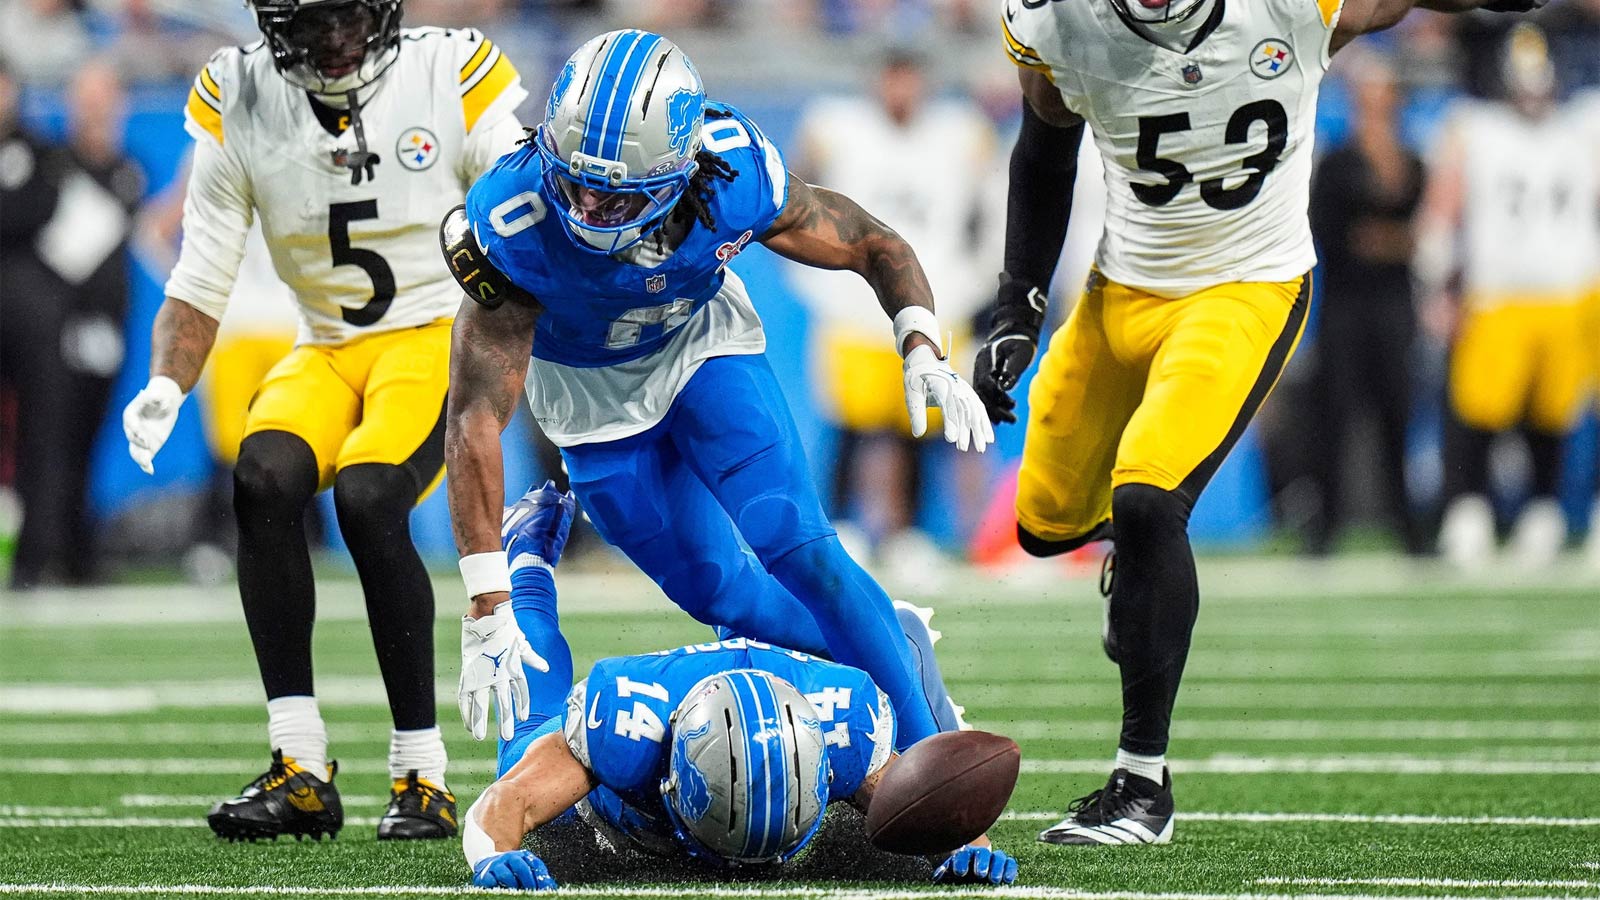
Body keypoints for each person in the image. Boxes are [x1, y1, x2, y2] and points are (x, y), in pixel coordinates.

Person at [976, 0, 1549, 846]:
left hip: (1246, 287)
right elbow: (1045, 137)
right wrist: (1019, 305)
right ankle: (1134, 574)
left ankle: (1141, 787)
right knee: (1043, 528)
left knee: (1147, 496)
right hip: (1120, 291)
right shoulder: (1062, 19)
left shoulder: (1284, 3)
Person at [441, 31, 992, 758]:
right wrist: (486, 595)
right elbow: (475, 418)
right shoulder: (512, 220)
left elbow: (868, 240)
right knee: (724, 597)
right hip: (589, 398)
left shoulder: (731, 170)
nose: (587, 206)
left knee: (798, 545)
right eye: (575, 182)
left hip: (702, 344)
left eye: (615, 194)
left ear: (677, 170)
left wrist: (920, 340)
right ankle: (896, 633)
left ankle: (928, 748)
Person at [118, 0, 528, 841]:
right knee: (261, 476)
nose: (334, 39)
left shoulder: (446, 69)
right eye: (312, 22)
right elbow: (201, 273)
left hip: (429, 336)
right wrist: (168, 381)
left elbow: (518, 208)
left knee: (372, 497)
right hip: (328, 344)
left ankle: (423, 774)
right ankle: (299, 766)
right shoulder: (238, 92)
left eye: (347, 16)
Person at [463, 483, 1019, 890]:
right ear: (674, 777)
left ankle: (891, 640)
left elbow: (924, 804)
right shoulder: (625, 723)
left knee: (763, 605)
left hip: (783, 680)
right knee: (526, 732)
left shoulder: (842, 722)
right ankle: (527, 554)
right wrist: (491, 855)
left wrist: (967, 844)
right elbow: (503, 803)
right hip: (634, 802)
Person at [788, 48, 998, 579]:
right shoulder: (837, 124)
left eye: (908, 75)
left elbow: (991, 206)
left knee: (927, 425)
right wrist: (811, 276)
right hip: (856, 303)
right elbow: (790, 188)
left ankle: (910, 534)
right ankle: (853, 529)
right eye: (891, 75)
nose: (900, 88)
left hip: (935, 298)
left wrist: (976, 280)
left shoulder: (960, 132)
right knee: (859, 425)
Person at [1417, 24, 1600, 570]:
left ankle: (1543, 514)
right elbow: (1442, 211)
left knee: (1555, 413)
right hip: (1496, 292)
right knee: (1479, 411)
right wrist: (1435, 284)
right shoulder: (1474, 127)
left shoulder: (1584, 125)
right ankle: (1470, 513)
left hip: (1571, 292)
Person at [1304, 52, 1426, 556]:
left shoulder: (1411, 160)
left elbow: (1416, 235)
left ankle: (1408, 528)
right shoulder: (1337, 162)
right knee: (1334, 416)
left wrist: (1387, 239)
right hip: (1346, 308)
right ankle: (1325, 528)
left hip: (1395, 308)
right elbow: (1334, 235)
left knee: (1397, 414)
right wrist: (1390, 239)